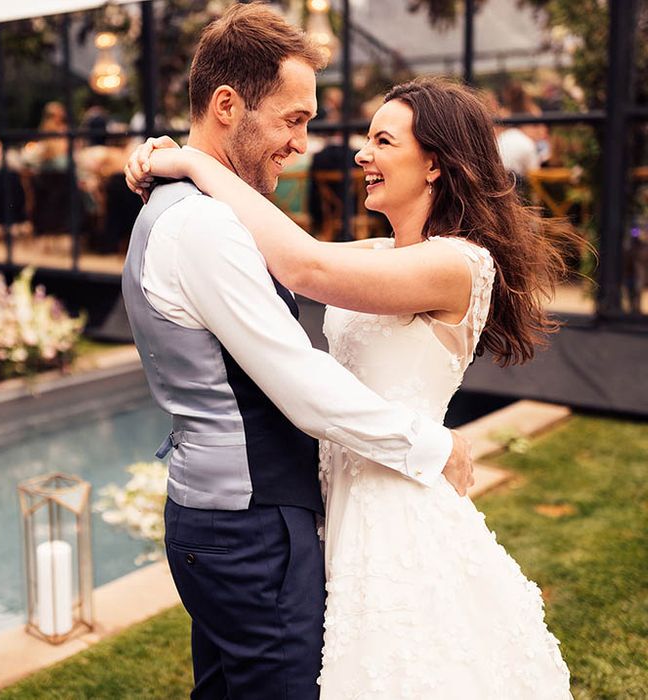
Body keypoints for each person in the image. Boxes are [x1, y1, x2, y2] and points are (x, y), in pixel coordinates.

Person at [126, 76, 574, 697]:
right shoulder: (380, 251)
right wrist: (174, 160)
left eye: (383, 140)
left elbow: (305, 265)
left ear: (436, 165)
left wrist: (189, 160)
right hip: (334, 503)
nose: (361, 153)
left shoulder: (457, 265)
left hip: (395, 503)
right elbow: (280, 243)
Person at [120, 5, 473, 699]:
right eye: (291, 119)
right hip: (250, 528)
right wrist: (427, 446)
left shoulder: (181, 206)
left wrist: (180, 157)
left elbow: (314, 264)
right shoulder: (202, 227)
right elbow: (298, 379)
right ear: (227, 106)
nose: (302, 143)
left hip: (218, 515)